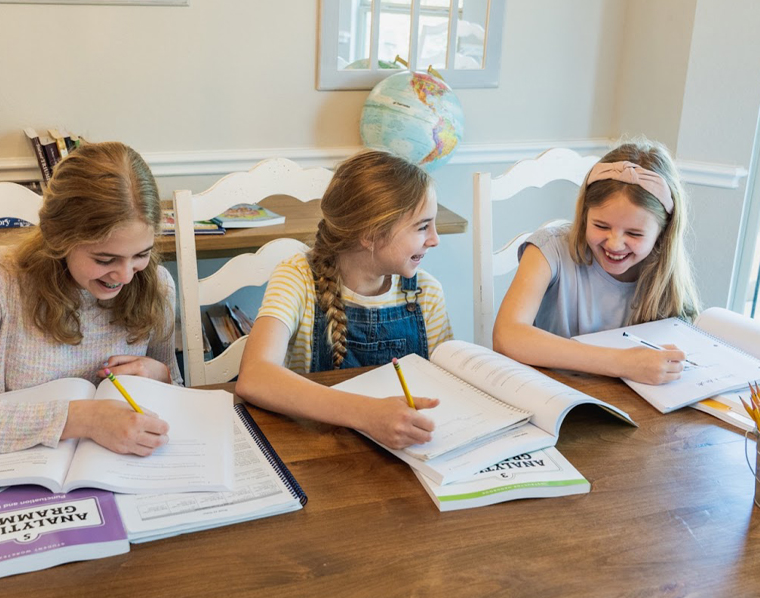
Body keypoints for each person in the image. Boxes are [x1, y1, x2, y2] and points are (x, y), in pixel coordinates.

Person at [0, 141, 180, 455]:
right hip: (18, 475)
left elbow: (180, 400)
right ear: (58, 237)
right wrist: (82, 419)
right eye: (105, 260)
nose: (126, 276)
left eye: (141, 254)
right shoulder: (0, 276)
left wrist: (162, 376)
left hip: (120, 473)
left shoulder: (156, 284)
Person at [236, 151, 453, 450]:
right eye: (422, 226)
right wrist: (365, 414)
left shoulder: (427, 293)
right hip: (317, 451)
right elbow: (255, 376)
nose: (434, 239)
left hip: (402, 450)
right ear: (371, 234)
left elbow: (448, 386)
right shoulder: (298, 278)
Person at [493, 138, 701, 385]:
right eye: (601, 226)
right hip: (552, 396)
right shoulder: (549, 249)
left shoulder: (663, 276)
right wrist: (623, 363)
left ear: (662, 234)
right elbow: (506, 335)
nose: (614, 244)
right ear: (584, 215)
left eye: (634, 234)